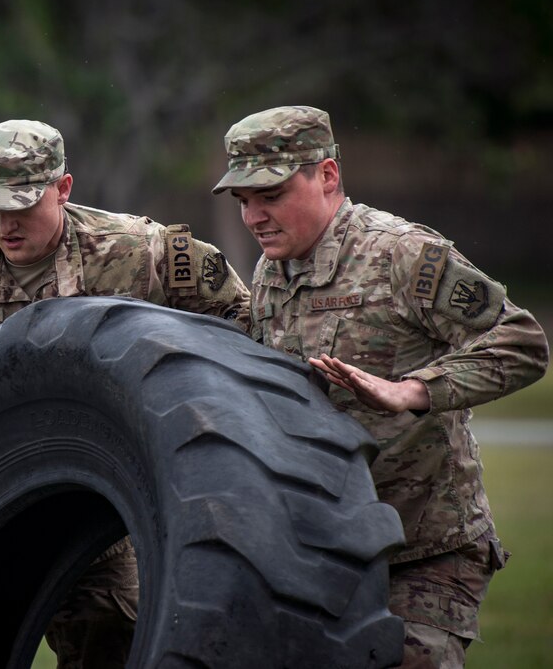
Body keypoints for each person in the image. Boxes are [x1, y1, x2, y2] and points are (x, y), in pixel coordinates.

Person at [0, 118, 251, 668]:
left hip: (102, 502)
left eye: (21, 206)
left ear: (63, 188)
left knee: (112, 639)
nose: (4, 224)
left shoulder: (139, 254)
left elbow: (238, 319)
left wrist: (190, 417)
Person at [212, 105, 549, 668]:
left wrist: (415, 390)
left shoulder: (402, 253)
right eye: (243, 201)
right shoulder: (275, 270)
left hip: (426, 549)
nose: (254, 217)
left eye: (269, 194)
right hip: (326, 545)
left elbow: (523, 342)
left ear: (326, 176)